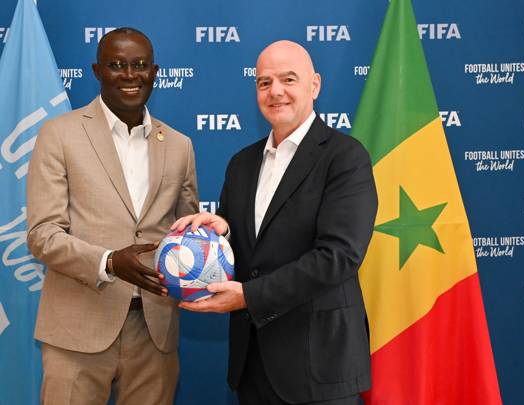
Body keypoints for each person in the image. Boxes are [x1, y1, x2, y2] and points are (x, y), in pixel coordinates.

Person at [172, 40, 377, 404]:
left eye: (288, 79)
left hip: (320, 369)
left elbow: (339, 256)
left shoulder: (346, 157)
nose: (275, 91)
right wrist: (221, 233)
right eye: (264, 82)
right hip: (253, 367)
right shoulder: (242, 163)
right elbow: (249, 247)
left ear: (314, 85)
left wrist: (249, 296)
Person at [27, 27, 199, 404]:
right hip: (78, 328)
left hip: (154, 333)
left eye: (140, 65)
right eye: (117, 65)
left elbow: (189, 233)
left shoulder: (180, 145)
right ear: (97, 70)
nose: (129, 75)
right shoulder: (58, 134)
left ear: (155, 72)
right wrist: (108, 262)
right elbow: (42, 233)